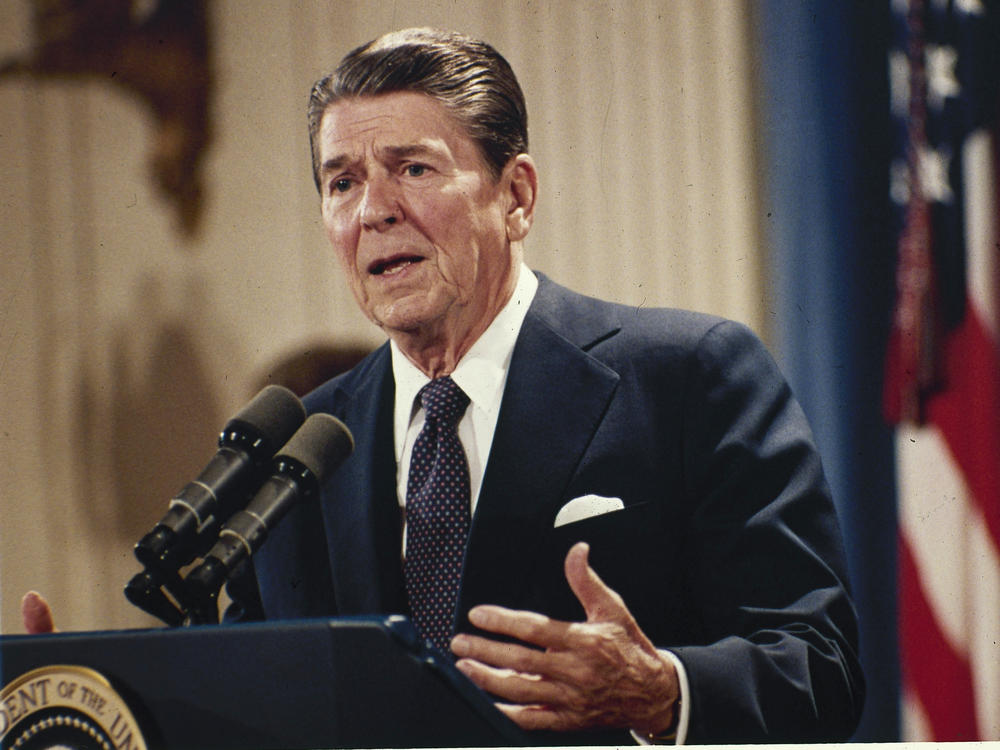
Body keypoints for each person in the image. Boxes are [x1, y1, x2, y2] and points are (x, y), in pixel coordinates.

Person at [26, 27, 865, 744]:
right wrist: (110, 710)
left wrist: (661, 688)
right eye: (341, 181)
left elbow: (819, 664)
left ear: (517, 195)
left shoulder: (687, 375)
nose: (374, 211)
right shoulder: (302, 450)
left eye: (413, 169)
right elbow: (264, 710)